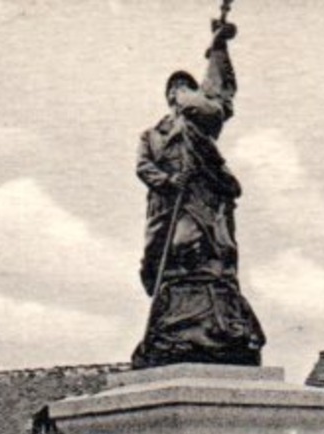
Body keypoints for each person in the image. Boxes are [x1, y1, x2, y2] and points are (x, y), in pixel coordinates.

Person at [132, 17, 265, 367]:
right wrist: (168, 181)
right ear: (166, 97)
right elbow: (143, 167)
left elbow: (215, 97)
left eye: (183, 85)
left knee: (195, 245)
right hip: (166, 203)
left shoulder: (197, 123)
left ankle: (206, 319)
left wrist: (218, 47)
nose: (178, 91)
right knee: (157, 257)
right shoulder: (152, 135)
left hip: (200, 198)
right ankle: (173, 315)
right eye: (173, 88)